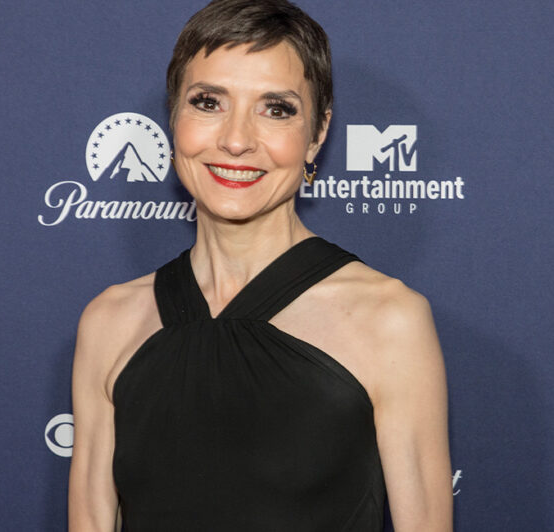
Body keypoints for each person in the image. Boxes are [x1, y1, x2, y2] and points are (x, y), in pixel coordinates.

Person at [68, 0, 452, 530]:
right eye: (208, 102)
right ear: (173, 119)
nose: (236, 140)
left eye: (276, 109)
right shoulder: (109, 321)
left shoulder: (390, 319)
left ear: (317, 134)